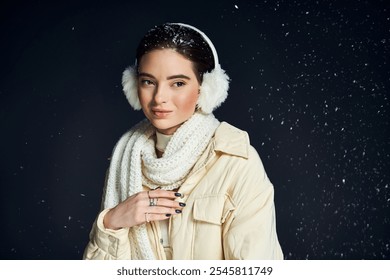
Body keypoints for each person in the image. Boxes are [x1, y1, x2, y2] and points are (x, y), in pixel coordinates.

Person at [83, 23, 283, 260]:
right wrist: (112, 222)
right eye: (148, 81)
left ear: (205, 88)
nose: (159, 98)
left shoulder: (237, 163)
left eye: (178, 83)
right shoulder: (125, 162)